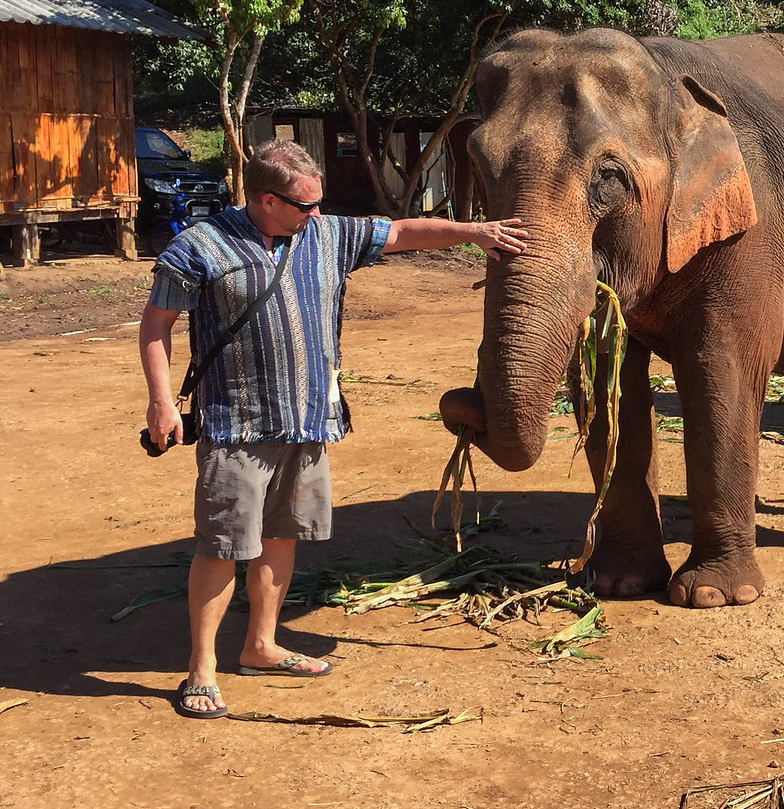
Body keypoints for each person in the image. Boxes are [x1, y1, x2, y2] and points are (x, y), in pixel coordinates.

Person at [139, 140, 527, 720]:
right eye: (306, 205)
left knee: (282, 536)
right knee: (223, 546)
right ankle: (202, 668)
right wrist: (161, 403)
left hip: (308, 419)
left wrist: (473, 233)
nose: (317, 215)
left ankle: (261, 645)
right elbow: (156, 325)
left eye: (320, 204)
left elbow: (400, 233)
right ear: (268, 200)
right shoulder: (199, 247)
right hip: (237, 424)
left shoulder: (325, 235)